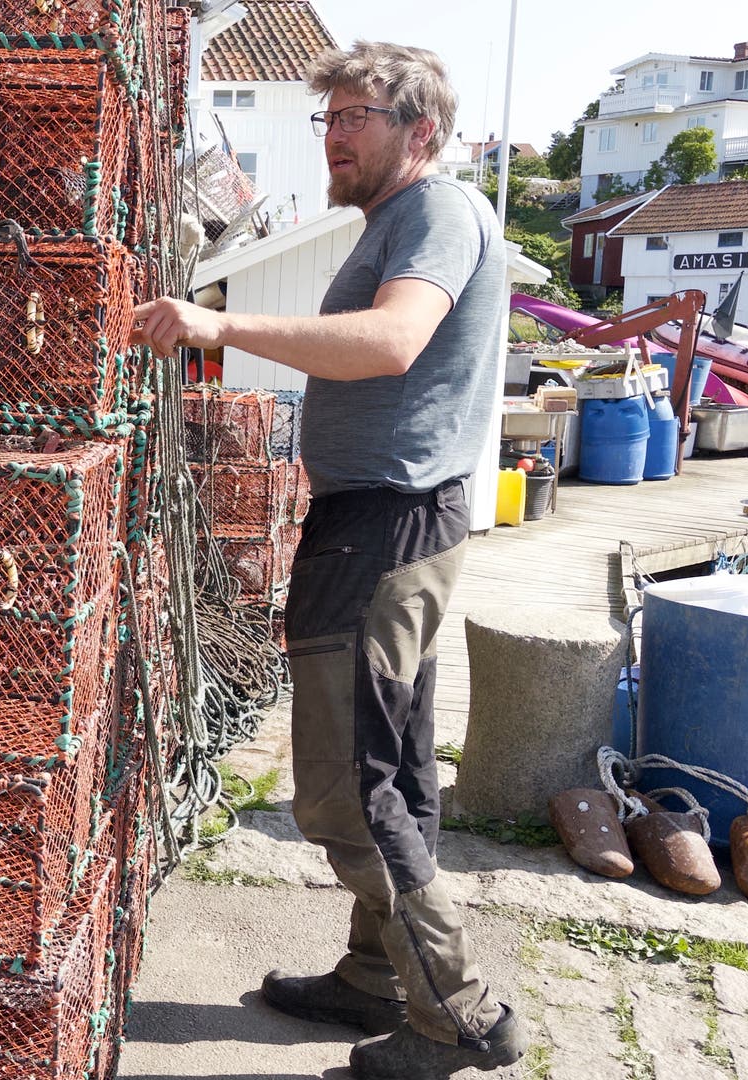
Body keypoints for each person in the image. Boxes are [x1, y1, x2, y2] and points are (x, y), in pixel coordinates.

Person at [133, 41, 528, 1080]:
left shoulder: (438, 212)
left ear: (421, 132)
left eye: (357, 116)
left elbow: (393, 341)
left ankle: (460, 1019)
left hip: (386, 527)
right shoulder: (396, 221)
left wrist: (217, 322)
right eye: (329, 118)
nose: (335, 136)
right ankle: (375, 975)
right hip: (389, 520)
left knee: (349, 787)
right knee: (392, 765)